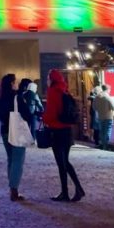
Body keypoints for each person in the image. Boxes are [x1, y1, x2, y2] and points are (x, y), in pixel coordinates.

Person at [43, 68, 85, 203]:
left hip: (57, 130)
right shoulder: (63, 90)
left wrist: (43, 118)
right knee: (65, 161)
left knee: (61, 164)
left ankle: (67, 192)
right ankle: (76, 190)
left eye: (48, 78)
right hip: (67, 131)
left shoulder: (52, 92)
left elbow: (51, 113)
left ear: (52, 79)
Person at [0, 74, 33, 201]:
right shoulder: (17, 98)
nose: (17, 84)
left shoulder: (1, 97)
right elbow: (27, 114)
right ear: (12, 84)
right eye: (15, 82)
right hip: (16, 131)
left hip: (4, 131)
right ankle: (14, 190)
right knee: (18, 160)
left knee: (11, 160)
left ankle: (12, 188)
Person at [93, 84, 114, 149]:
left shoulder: (97, 97)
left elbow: (94, 108)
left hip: (100, 117)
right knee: (107, 131)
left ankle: (103, 144)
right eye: (110, 90)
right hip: (108, 117)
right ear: (108, 89)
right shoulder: (108, 97)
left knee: (102, 131)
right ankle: (105, 145)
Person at [88, 80, 102, 145]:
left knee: (96, 126)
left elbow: (89, 97)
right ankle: (97, 140)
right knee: (97, 126)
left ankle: (96, 139)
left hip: (95, 112)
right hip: (96, 112)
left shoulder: (94, 91)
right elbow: (90, 97)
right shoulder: (96, 91)